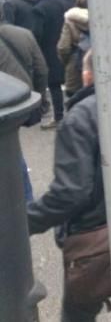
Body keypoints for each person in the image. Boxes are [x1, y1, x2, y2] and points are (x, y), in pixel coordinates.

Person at [27, 50, 110, 322]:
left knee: (77, 313)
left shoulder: (79, 118)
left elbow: (70, 192)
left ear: (86, 76)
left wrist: (25, 222)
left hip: (92, 239)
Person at [1, 14, 48, 205]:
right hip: (23, 101)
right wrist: (40, 98)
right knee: (13, 152)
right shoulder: (24, 34)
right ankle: (26, 203)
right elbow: (41, 69)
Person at [34, 0, 70, 130]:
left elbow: (38, 33)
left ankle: (59, 116)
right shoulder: (64, 3)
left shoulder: (39, 8)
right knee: (71, 82)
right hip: (67, 46)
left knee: (54, 85)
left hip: (49, 50)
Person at [58, 0, 89, 99]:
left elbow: (63, 47)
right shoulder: (103, 18)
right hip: (98, 66)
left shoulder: (70, 20)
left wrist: (67, 61)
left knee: (75, 101)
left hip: (75, 67)